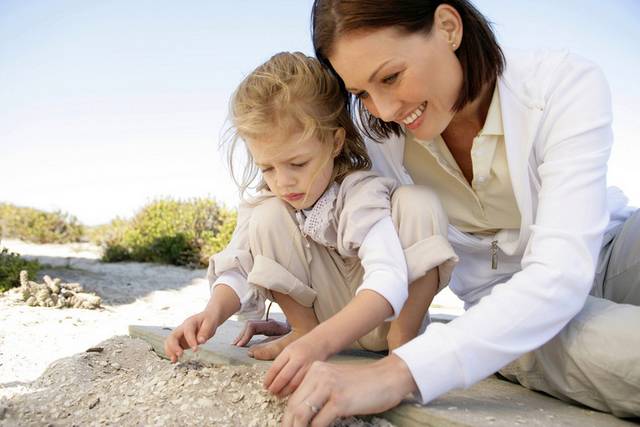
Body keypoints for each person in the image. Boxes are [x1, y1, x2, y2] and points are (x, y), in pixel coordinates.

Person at [234, 1, 640, 425]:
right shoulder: (377, 145)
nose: (385, 109)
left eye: (391, 77)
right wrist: (314, 325)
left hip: (612, 253)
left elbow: (562, 271)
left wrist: (396, 374)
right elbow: (310, 216)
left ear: (448, 27)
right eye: (362, 94)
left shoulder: (562, 85)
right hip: (509, 308)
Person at [163, 52, 458, 397]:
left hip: (386, 318)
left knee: (418, 202)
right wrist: (211, 314)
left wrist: (323, 344)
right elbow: (238, 265)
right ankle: (302, 330)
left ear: (335, 142)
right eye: (268, 168)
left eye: (297, 163)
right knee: (267, 215)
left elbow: (388, 277)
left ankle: (402, 347)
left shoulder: (360, 191)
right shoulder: (270, 202)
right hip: (320, 325)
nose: (283, 182)